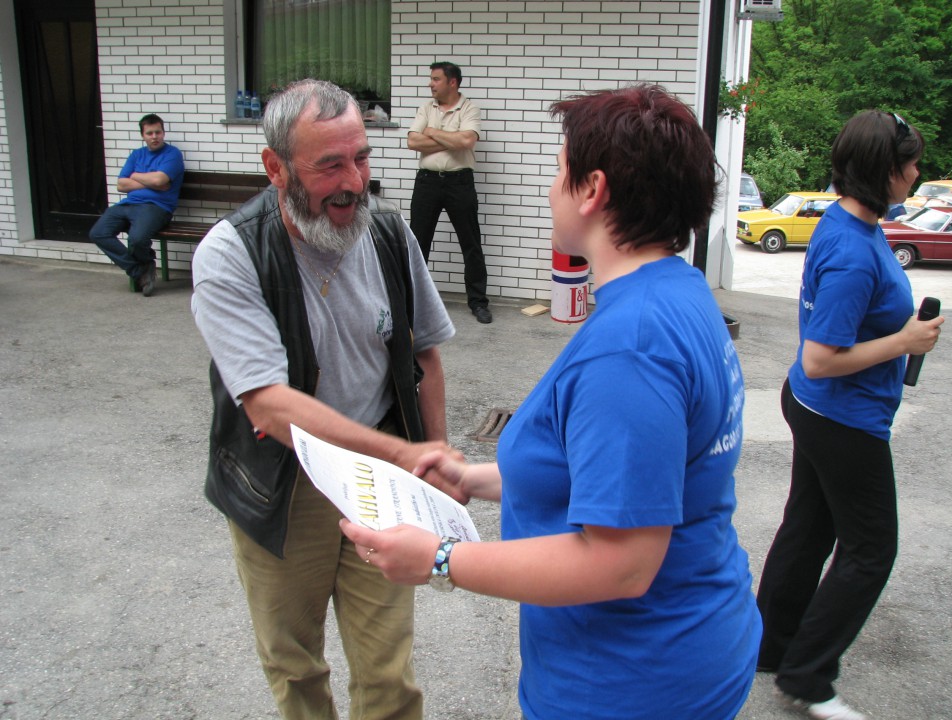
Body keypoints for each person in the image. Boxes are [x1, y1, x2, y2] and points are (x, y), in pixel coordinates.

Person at [343, 84, 762, 720]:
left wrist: (439, 560)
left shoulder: (630, 347)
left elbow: (620, 566)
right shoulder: (677, 290)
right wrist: (475, 478)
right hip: (686, 648)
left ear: (592, 191)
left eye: (559, 170)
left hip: (630, 684)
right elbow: (613, 474)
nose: (550, 189)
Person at [191, 79, 463, 720]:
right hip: (283, 485)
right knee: (296, 666)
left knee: (389, 673)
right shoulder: (232, 254)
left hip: (379, 484)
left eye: (362, 157)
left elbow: (425, 354)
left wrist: (434, 450)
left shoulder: (391, 234)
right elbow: (269, 405)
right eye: (329, 165)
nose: (353, 182)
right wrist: (401, 450)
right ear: (275, 167)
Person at [755, 111, 944, 720]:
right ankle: (807, 678)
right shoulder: (855, 253)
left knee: (808, 527)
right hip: (842, 417)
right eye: (910, 164)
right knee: (871, 549)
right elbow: (821, 358)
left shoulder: (844, 220)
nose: (917, 173)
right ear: (882, 172)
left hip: (817, 407)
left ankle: (770, 647)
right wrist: (905, 342)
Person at [408, 61, 492, 324]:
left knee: (471, 244)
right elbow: (412, 141)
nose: (430, 84)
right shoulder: (425, 107)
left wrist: (431, 132)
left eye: (435, 79)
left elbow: (467, 141)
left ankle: (478, 302)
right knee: (418, 244)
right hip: (427, 182)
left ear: (452, 82)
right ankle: (412, 303)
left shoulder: (469, 108)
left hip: (460, 183)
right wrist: (449, 138)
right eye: (431, 79)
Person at [89, 113, 184, 296]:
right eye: (150, 133)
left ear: (163, 133)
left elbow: (159, 179)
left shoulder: (172, 154)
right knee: (98, 233)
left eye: (158, 132)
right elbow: (121, 185)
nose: (154, 137)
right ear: (143, 135)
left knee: (137, 238)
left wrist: (134, 176)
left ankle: (143, 270)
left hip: (156, 207)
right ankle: (140, 271)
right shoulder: (136, 154)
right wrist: (151, 182)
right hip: (128, 204)